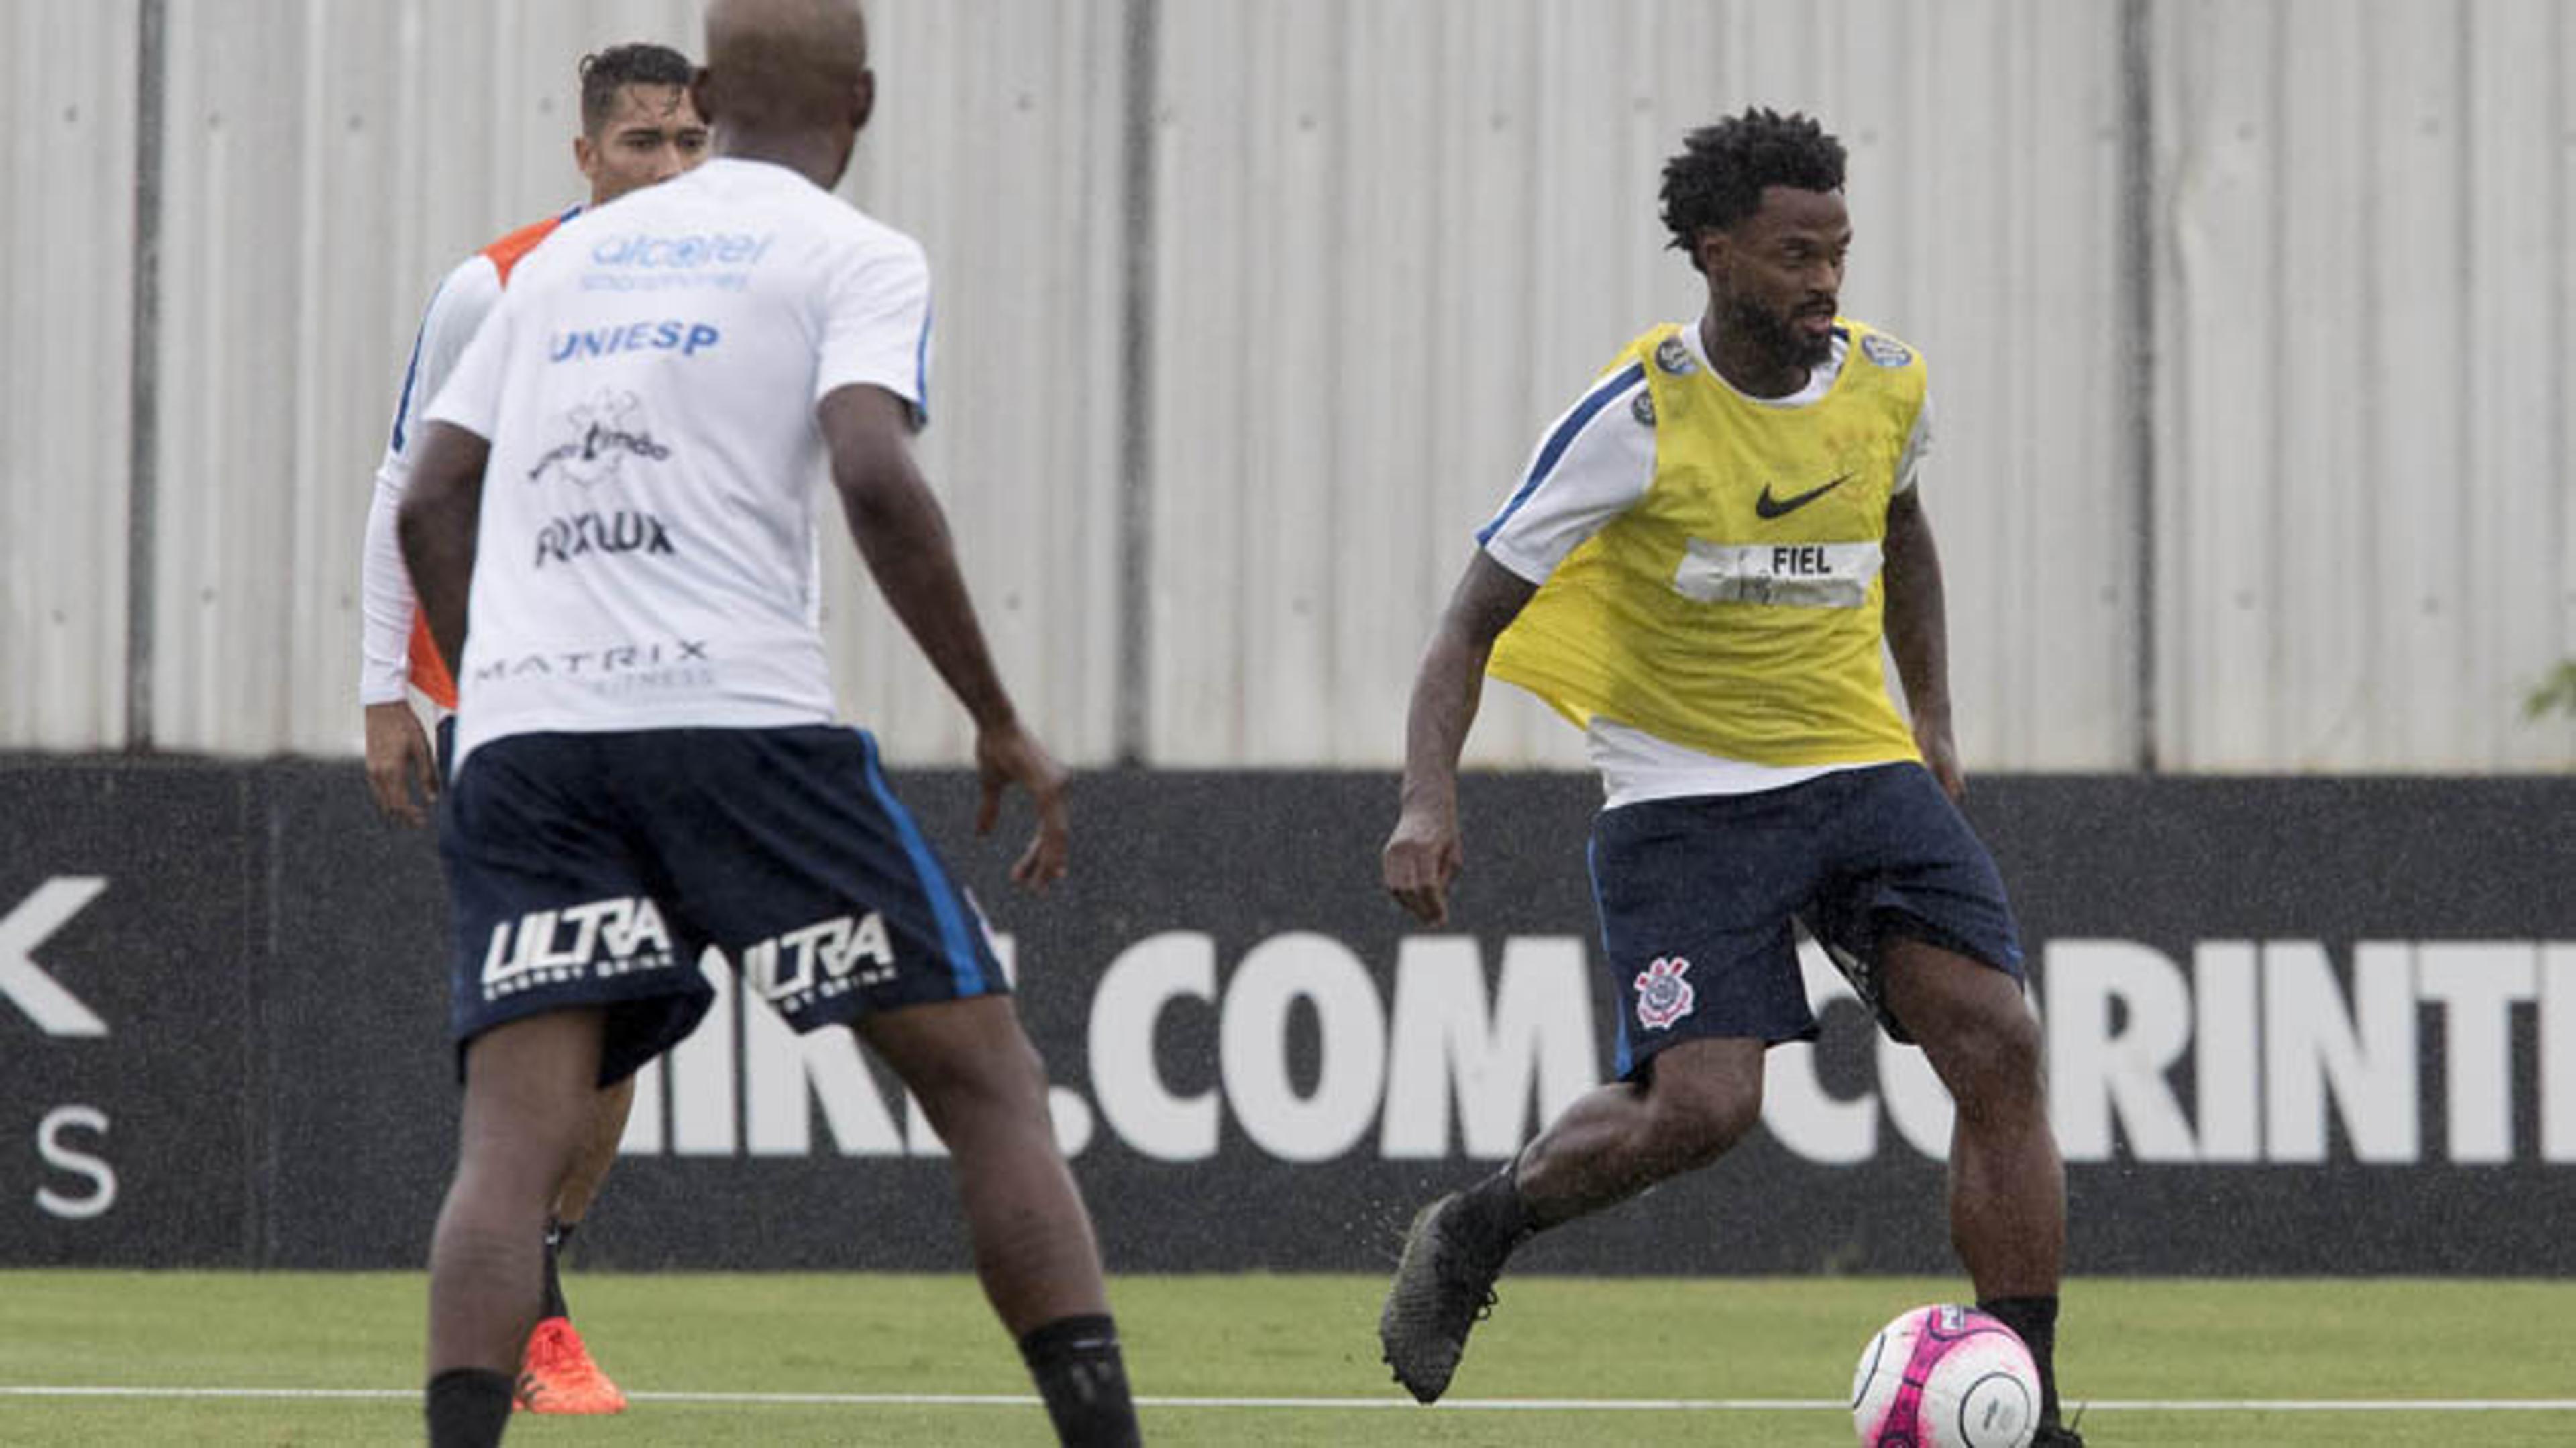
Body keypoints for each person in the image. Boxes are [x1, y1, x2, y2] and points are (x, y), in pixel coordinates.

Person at [396, 1, 1140, 1443]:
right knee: (988, 1084)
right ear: (861, 99)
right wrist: (995, 714)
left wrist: (500, 694)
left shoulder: (553, 263)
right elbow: (873, 470)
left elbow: (432, 494)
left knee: (510, 1142)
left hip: (535, 744)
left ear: (716, 94)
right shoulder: (850, 253)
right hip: (737, 722)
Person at [1375, 107, 2082, 1445]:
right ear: (1713, 256)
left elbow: (1902, 529)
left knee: (2000, 1042)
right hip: (1684, 795)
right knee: (1703, 1106)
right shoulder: (1633, 418)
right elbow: (1468, 625)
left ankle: (2028, 1402)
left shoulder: (1885, 383)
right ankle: (1478, 1226)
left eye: (1841, 250)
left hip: (1859, 769)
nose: (1825, 280)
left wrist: (1929, 712)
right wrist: (1428, 794)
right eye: (1794, 253)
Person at [359, 42, 710, 1418]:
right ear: (585, 155)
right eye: (643, 142)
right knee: (560, 998)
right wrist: (385, 687)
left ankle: (540, 1271)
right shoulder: (494, 285)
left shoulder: (728, 295)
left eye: (691, 141)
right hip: (502, 696)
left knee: (625, 1013)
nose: (670, 168)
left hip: (661, 696)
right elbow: (406, 480)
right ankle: (531, 1318)